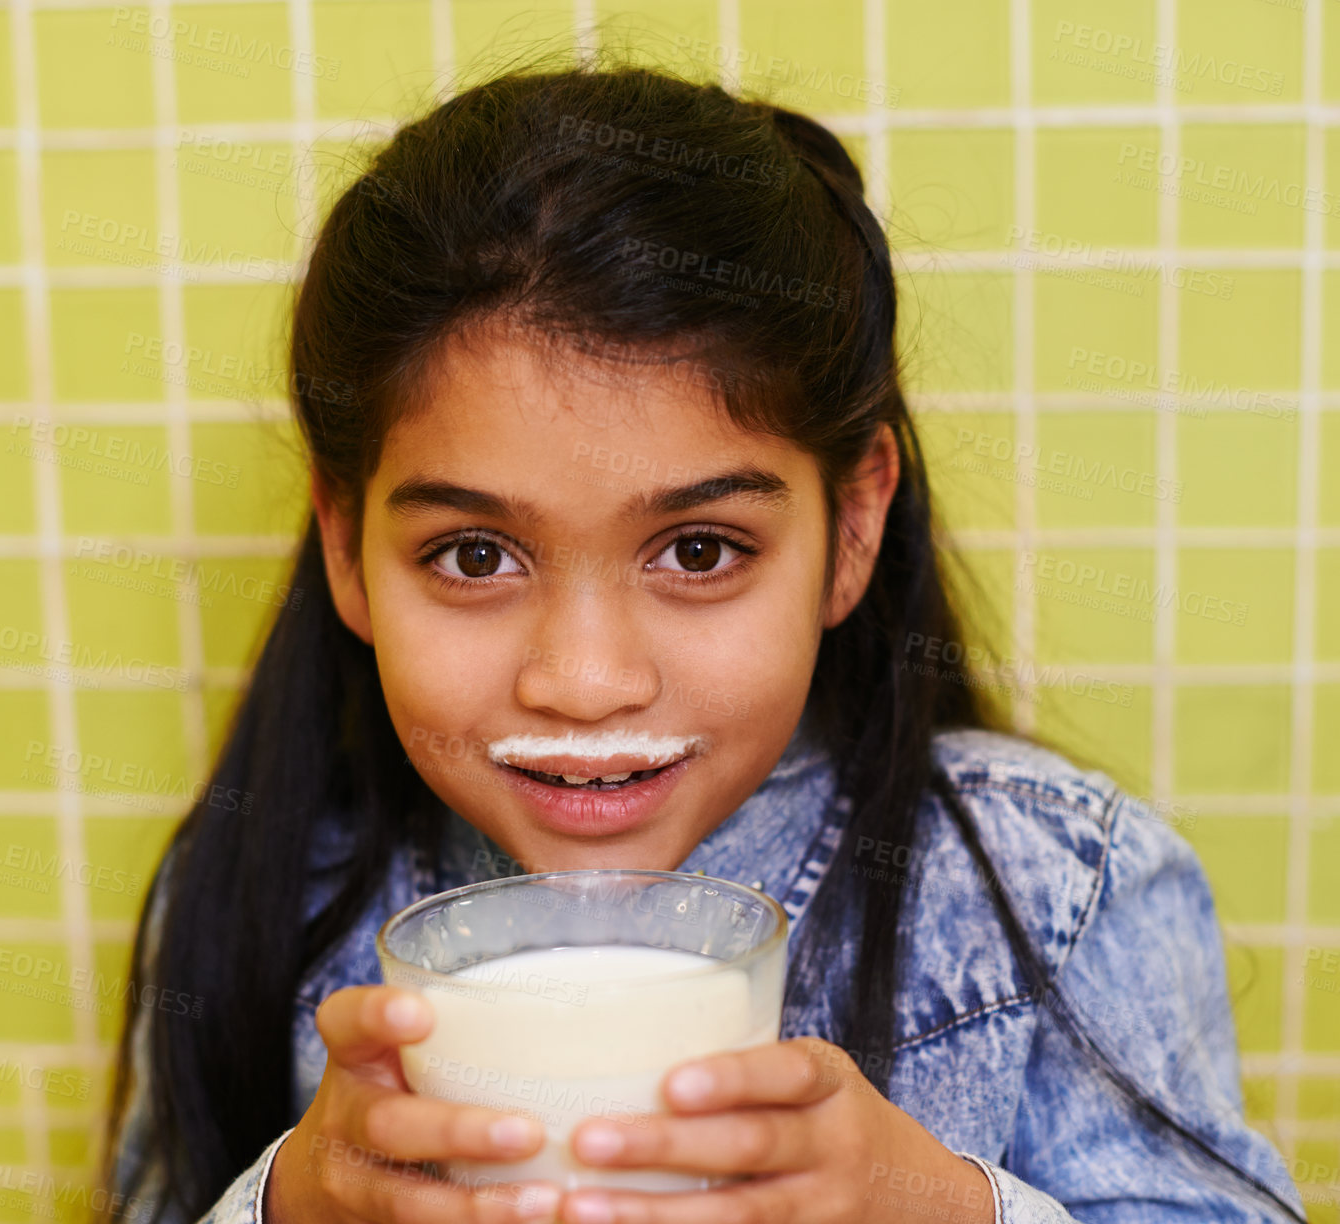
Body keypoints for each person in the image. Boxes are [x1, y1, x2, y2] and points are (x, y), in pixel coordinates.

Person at [95, 59, 1309, 1224]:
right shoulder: (267, 893)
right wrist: (289, 1207)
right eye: (474, 556)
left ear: (851, 529)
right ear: (345, 540)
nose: (583, 682)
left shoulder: (1050, 893)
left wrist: (940, 1210)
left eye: (697, 551)